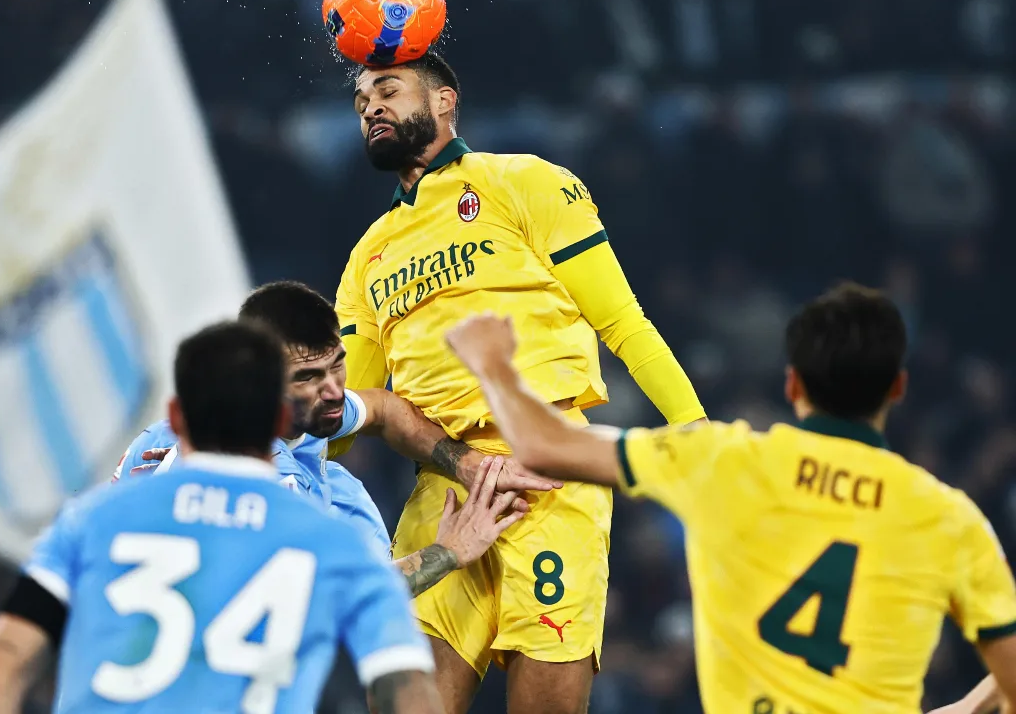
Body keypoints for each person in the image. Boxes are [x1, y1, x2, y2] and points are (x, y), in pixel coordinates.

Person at [443, 283, 1016, 714]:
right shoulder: (950, 519)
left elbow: (544, 444)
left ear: (793, 385)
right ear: (897, 387)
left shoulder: (723, 461)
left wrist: (492, 363)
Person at [334, 51, 705, 712]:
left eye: (388, 91)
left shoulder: (527, 183)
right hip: (443, 492)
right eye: (362, 102)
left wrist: (695, 431)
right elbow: (350, 417)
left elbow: (623, 322)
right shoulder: (366, 258)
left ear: (446, 101)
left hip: (552, 479)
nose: (372, 109)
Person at [0, 321, 443, 713]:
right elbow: (405, 687)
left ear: (174, 417)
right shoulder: (329, 539)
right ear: (277, 420)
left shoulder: (85, 523)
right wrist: (449, 551)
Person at [114, 280, 556, 596]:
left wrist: (467, 463)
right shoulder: (267, 480)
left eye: (337, 365)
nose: (334, 390)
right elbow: (342, 597)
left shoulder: (265, 415)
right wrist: (450, 550)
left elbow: (383, 409)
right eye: (308, 376)